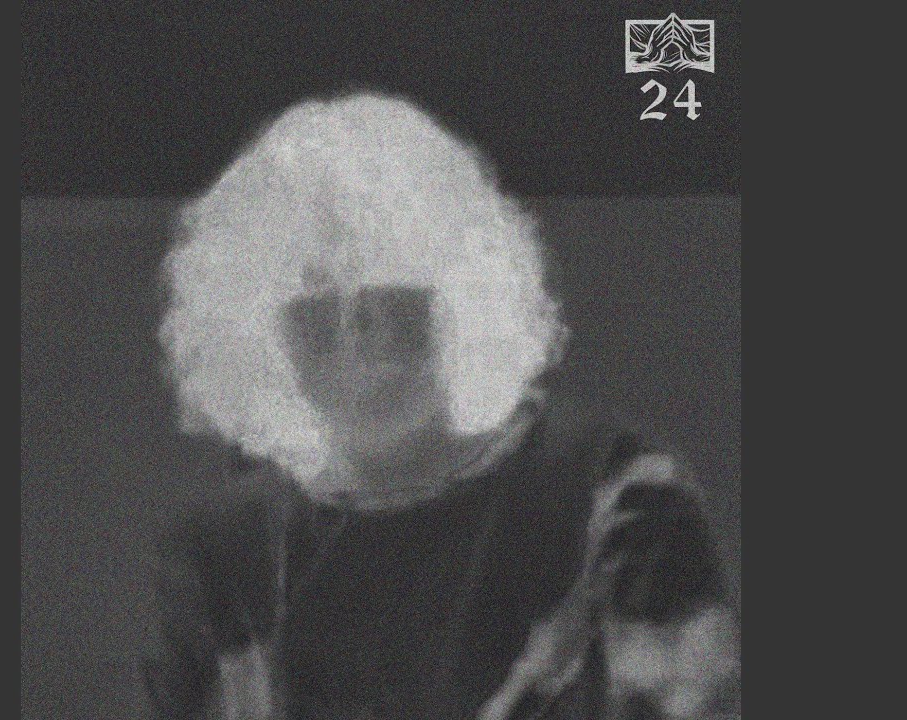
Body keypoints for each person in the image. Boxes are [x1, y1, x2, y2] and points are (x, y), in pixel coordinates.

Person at [145, 92, 739, 720]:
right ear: (258, 323)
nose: (358, 324)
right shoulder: (220, 549)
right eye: (314, 289)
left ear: (463, 291)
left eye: (390, 276)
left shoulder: (612, 493)